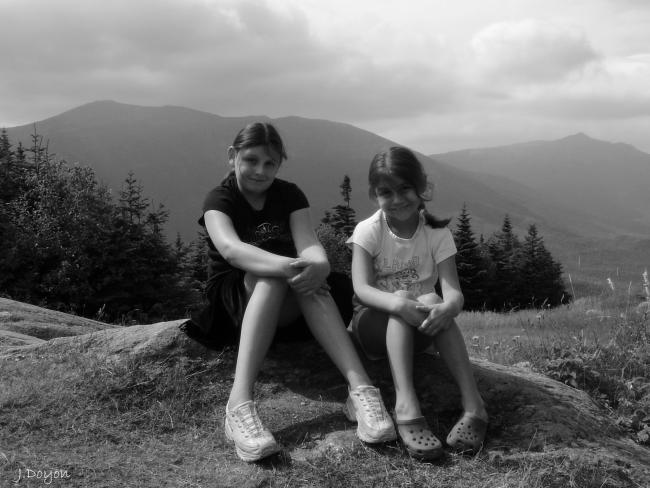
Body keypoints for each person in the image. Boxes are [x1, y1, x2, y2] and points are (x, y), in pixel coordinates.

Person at [181, 122, 396, 462]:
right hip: (236, 301)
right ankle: (238, 405)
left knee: (303, 279)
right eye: (250, 160)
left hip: (289, 300)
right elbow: (232, 250)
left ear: (280, 164)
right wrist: (290, 267)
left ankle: (360, 391)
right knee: (275, 277)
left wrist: (317, 266)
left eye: (270, 163)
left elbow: (309, 245)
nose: (259, 171)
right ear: (232, 156)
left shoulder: (290, 194)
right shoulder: (219, 199)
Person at [346, 146, 488, 460]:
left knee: (433, 299)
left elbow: (453, 293)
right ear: (374, 195)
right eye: (386, 192)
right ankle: (406, 404)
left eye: (405, 188)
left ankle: (474, 403)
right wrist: (398, 305)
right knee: (402, 300)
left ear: (421, 187)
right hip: (371, 328)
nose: (397, 200)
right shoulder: (368, 232)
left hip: (418, 330)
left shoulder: (437, 234)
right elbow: (362, 289)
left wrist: (447, 307)